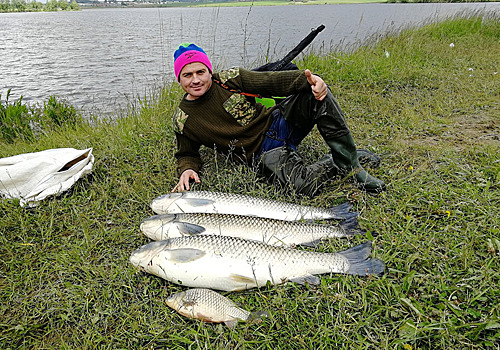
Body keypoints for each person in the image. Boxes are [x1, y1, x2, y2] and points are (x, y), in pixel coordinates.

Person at [171, 42, 386, 196]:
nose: (196, 80)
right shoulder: (183, 119)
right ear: (179, 78)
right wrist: (188, 168)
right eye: (187, 75)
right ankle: (336, 161)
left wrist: (312, 81)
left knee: (317, 94)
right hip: (262, 153)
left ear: (209, 71)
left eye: (201, 72)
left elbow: (270, 81)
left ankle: (352, 166)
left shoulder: (229, 79)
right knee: (302, 188)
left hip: (278, 124)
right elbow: (186, 152)